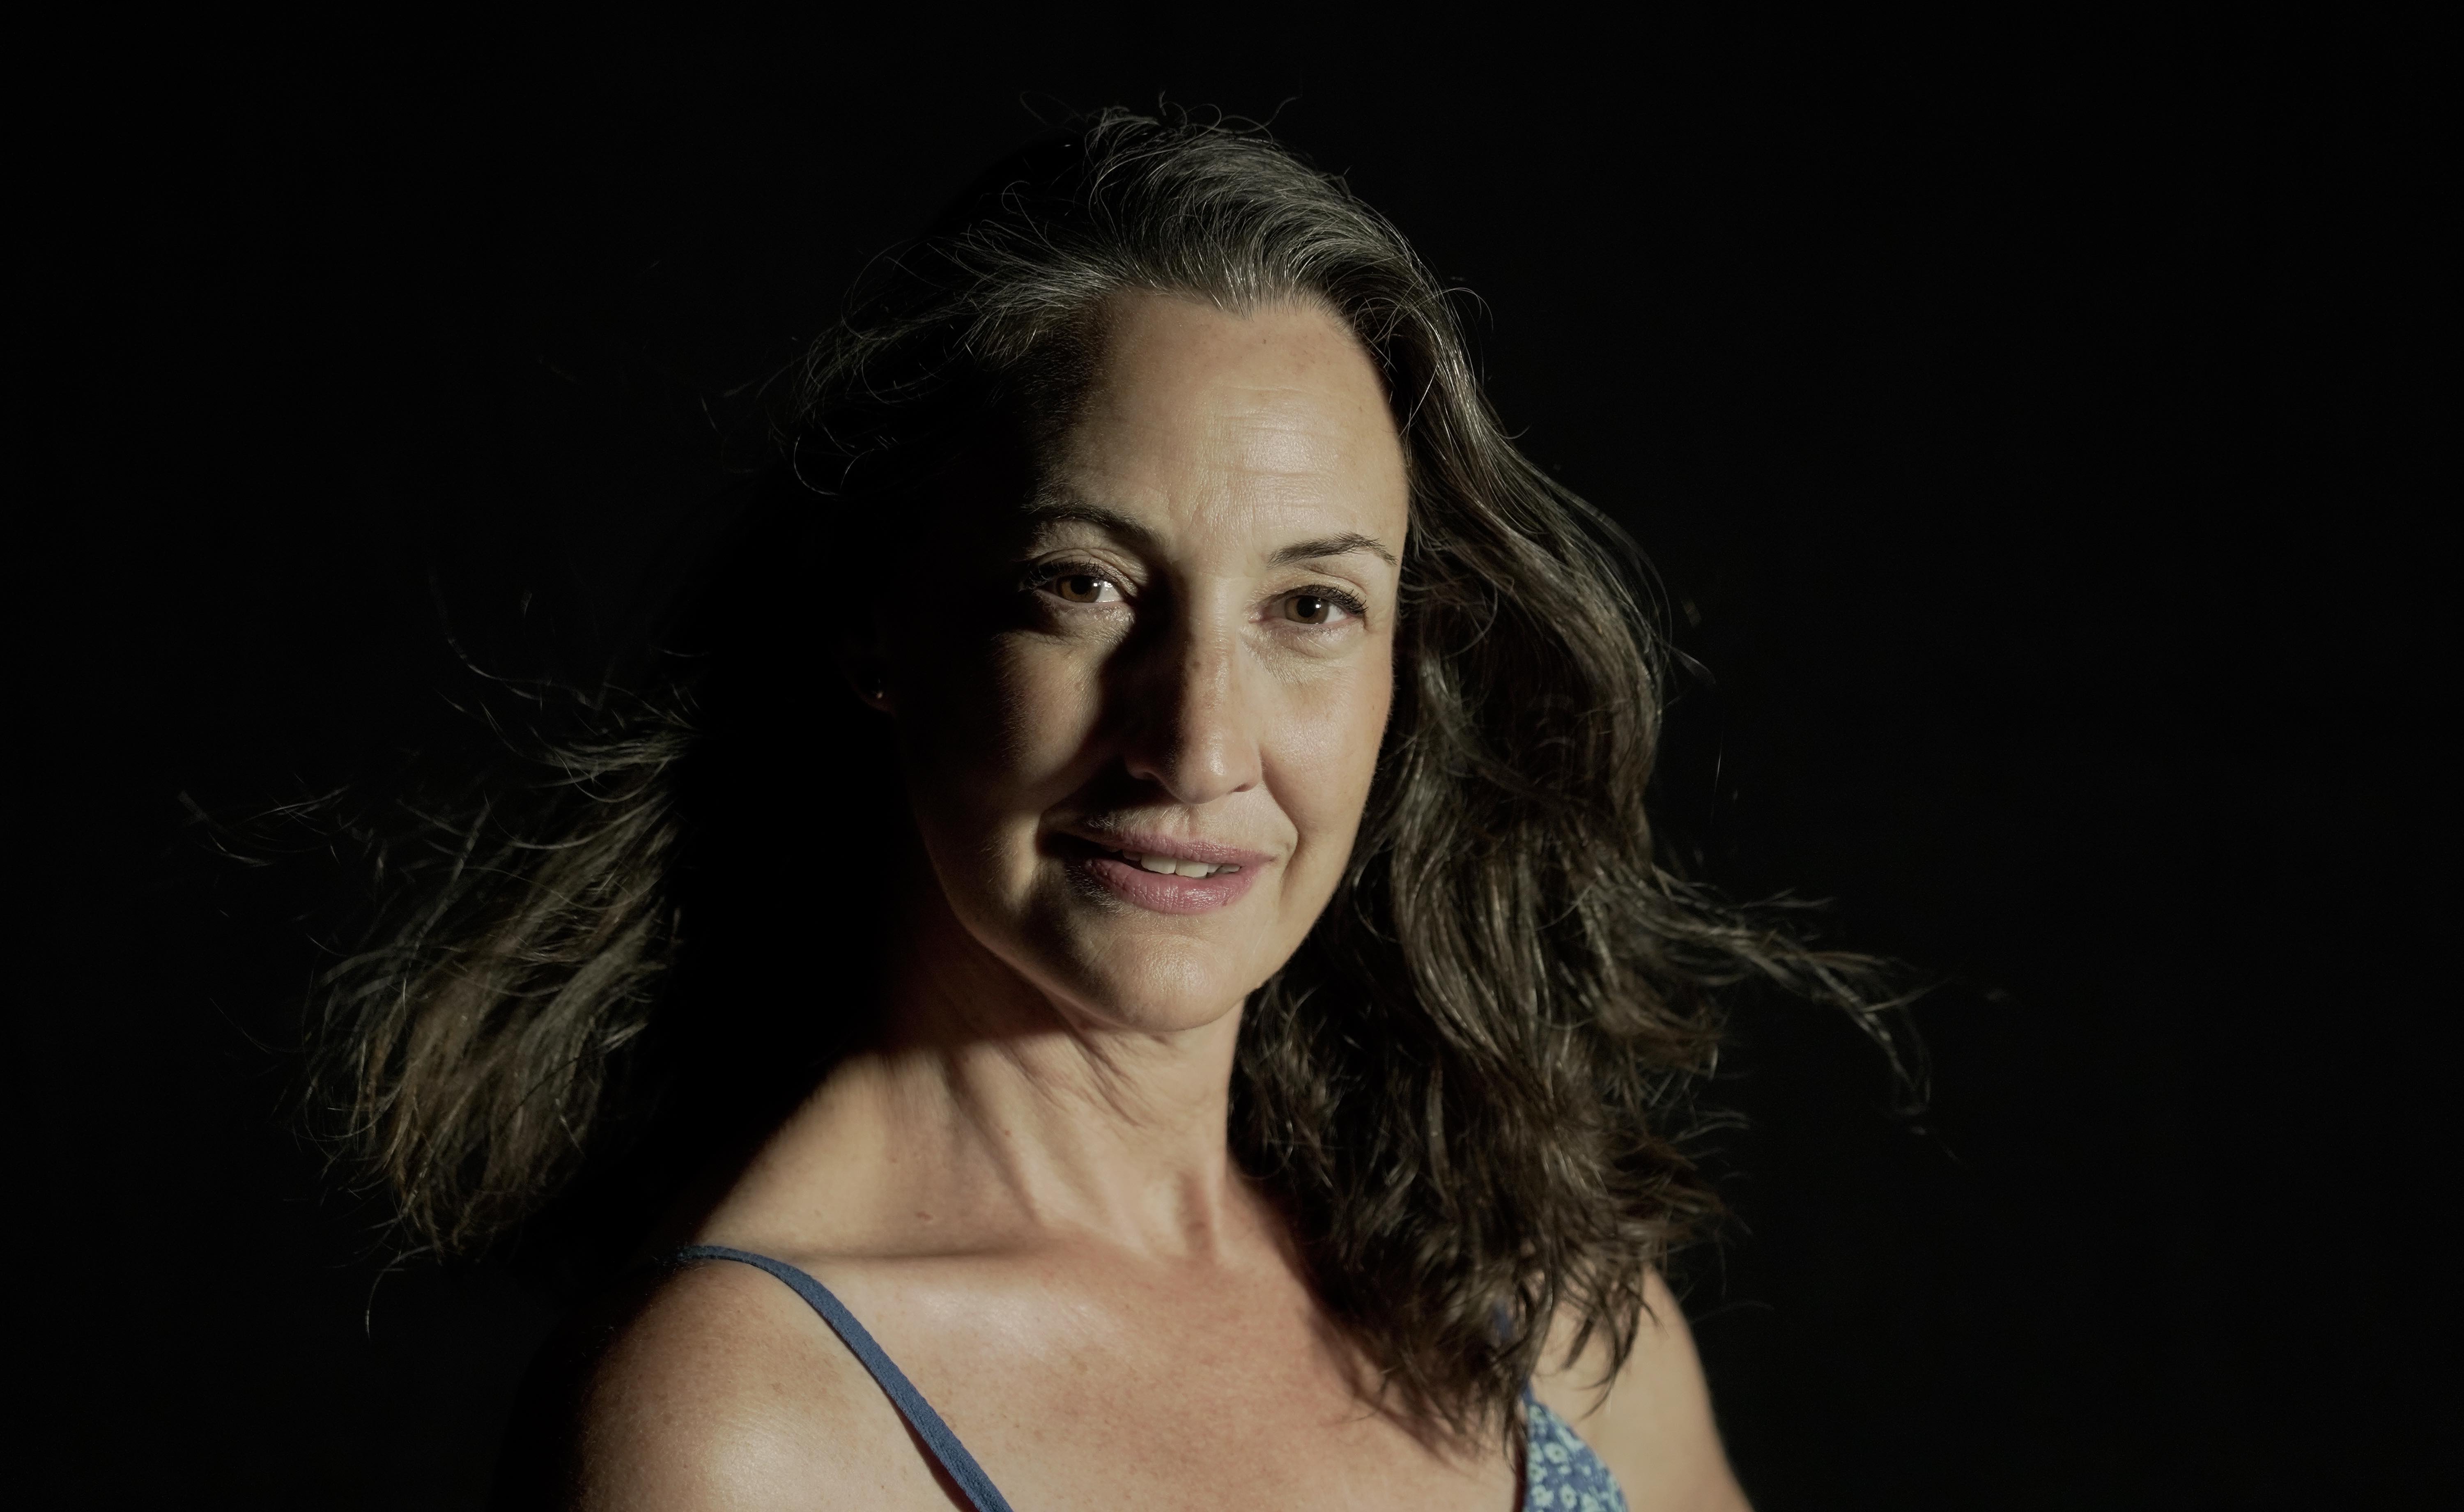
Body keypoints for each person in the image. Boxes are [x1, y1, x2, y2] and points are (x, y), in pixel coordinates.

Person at [323, 111, 1880, 1509]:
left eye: (1312, 607)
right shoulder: (740, 1430)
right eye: (1085, 585)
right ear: (876, 619)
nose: (1197, 746)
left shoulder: (1530, 1294)